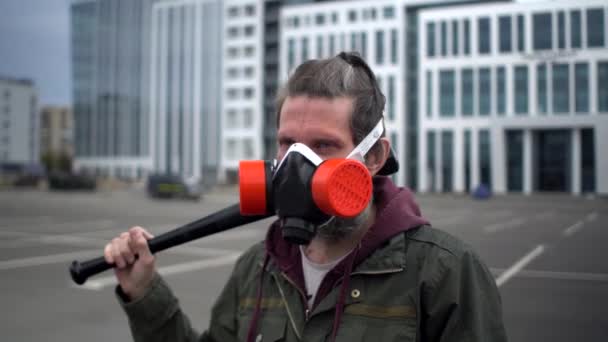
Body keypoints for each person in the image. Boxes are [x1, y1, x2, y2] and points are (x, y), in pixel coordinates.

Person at [104, 52, 507, 342]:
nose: (299, 163)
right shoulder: (258, 269)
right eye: (287, 144)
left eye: (323, 145)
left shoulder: (443, 273)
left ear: (374, 156)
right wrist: (144, 293)